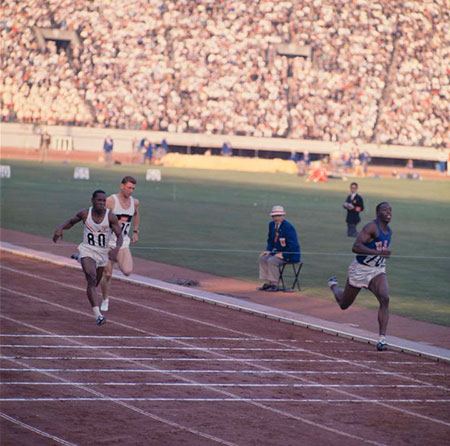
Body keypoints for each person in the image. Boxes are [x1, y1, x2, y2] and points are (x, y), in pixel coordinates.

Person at [328, 202, 393, 351]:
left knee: (385, 298)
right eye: (384, 210)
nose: (388, 212)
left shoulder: (389, 231)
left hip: (377, 270)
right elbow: (356, 247)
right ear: (378, 213)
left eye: (390, 210)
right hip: (360, 270)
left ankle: (382, 339)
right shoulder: (371, 227)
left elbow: (380, 250)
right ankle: (333, 287)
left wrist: (382, 255)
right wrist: (379, 253)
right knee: (344, 304)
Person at [53, 190, 123, 325]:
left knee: (95, 283)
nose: (102, 203)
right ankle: (98, 315)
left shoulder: (111, 217)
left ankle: (78, 258)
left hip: (102, 253)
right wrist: (60, 228)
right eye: (99, 200)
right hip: (87, 249)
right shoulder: (85, 213)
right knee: (91, 277)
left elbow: (120, 236)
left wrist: (116, 250)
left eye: (104, 201)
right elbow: (71, 221)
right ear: (92, 200)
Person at [100, 176, 140, 312]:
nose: (131, 191)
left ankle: (113, 258)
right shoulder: (111, 201)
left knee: (128, 271)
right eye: (129, 187)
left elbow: (136, 214)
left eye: (133, 189)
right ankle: (105, 299)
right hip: (106, 242)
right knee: (108, 274)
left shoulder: (134, 203)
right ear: (122, 186)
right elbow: (98, 215)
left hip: (122, 243)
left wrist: (135, 231)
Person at [258, 205, 300, 292]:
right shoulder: (271, 225)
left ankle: (274, 284)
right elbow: (270, 239)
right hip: (277, 252)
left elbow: (293, 245)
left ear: (283, 216)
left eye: (278, 216)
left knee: (272, 261)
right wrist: (268, 250)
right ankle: (267, 282)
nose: (276, 218)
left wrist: (283, 254)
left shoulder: (288, 227)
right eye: (274, 216)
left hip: (290, 254)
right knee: (263, 258)